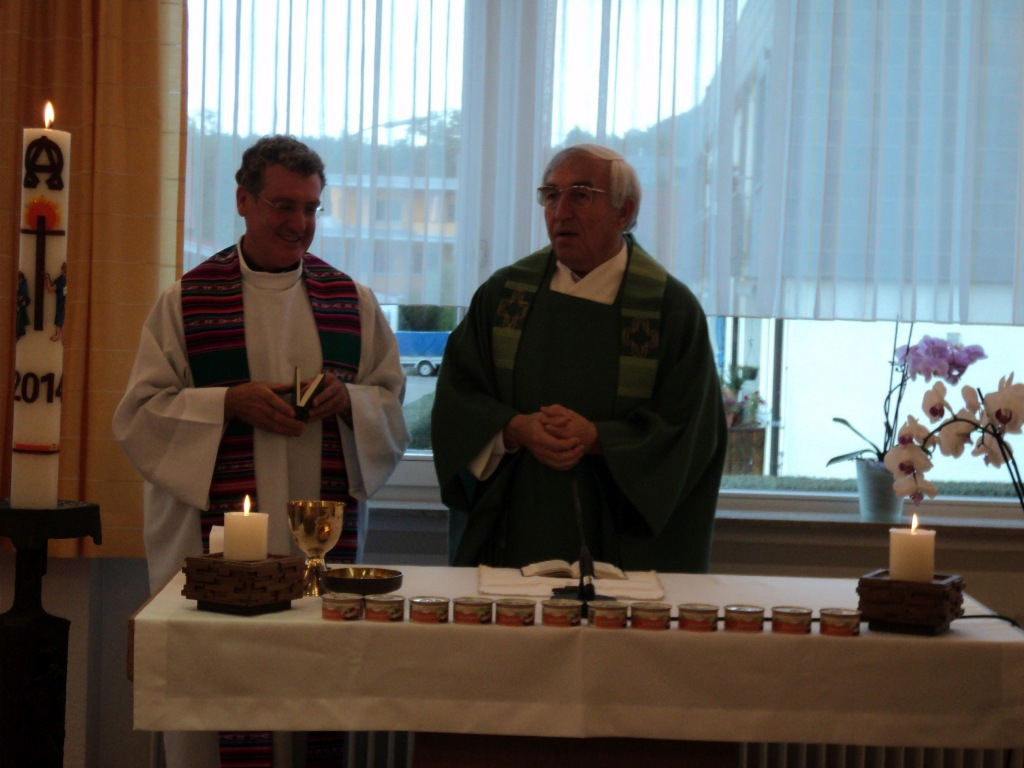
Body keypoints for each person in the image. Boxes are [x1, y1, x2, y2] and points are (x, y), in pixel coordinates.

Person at [113, 135, 409, 768]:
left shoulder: (351, 303)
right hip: (215, 552)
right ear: (243, 200)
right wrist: (226, 403)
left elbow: (389, 403)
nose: (299, 223)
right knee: (218, 712)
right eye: (283, 205)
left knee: (308, 703)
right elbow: (139, 416)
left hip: (312, 554)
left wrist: (349, 402)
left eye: (311, 207)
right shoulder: (186, 302)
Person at [431, 144, 727, 574]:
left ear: (624, 212)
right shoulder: (505, 296)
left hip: (620, 538)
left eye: (581, 195)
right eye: (551, 195)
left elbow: (689, 431)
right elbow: (458, 399)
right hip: (514, 529)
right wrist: (514, 428)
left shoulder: (668, 309)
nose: (561, 211)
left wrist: (599, 438)